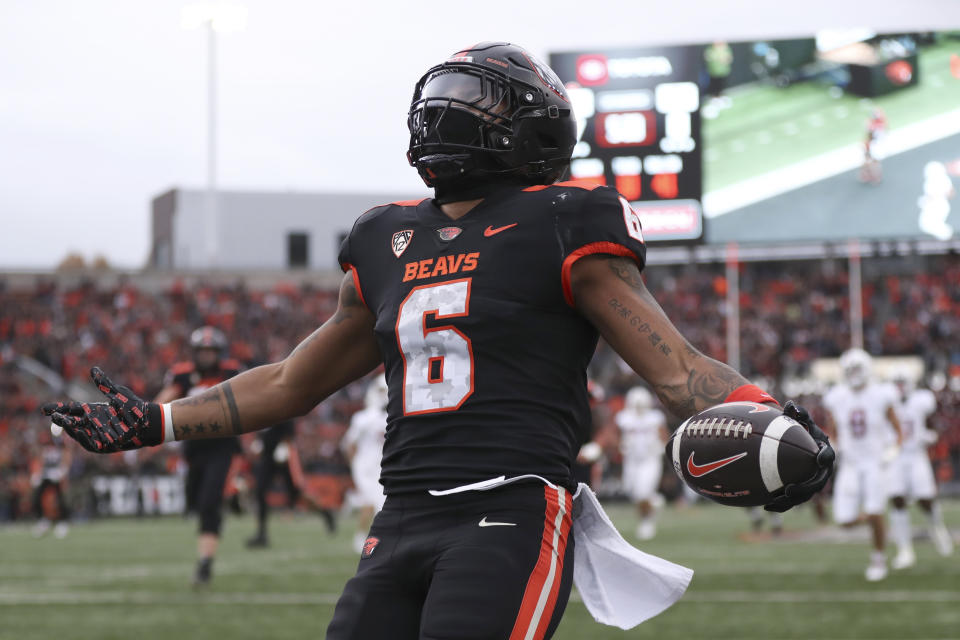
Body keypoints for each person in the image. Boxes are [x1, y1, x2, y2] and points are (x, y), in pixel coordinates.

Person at [42, 42, 833, 639]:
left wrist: (768, 412)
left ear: (528, 126)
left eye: (475, 100)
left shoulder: (562, 220)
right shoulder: (386, 240)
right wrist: (160, 422)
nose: (447, 111)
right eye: (446, 96)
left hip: (515, 509)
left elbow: (678, 370)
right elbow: (291, 381)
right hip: (403, 516)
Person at [154, 326, 243, 587]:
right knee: (193, 501)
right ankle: (230, 498)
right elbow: (163, 401)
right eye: (201, 351)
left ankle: (205, 562)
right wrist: (147, 420)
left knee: (208, 504)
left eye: (210, 351)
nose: (206, 356)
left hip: (222, 446)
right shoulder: (183, 375)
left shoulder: (230, 372)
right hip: (193, 448)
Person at [821, 348, 902, 582]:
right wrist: (832, 447)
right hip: (851, 464)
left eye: (857, 369)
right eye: (850, 370)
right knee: (845, 521)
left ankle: (878, 559)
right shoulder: (837, 397)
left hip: (874, 462)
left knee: (876, 510)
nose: (854, 374)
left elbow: (898, 430)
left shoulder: (881, 394)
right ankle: (872, 519)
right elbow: (833, 431)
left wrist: (892, 450)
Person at [886, 368, 953, 568]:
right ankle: (904, 549)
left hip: (916, 455)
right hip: (895, 456)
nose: (899, 387)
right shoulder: (886, 402)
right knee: (897, 498)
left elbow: (933, 423)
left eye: (902, 382)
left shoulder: (921, 400)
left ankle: (938, 529)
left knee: (925, 499)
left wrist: (930, 435)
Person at [341, 374, 388, 554]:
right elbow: (349, 444)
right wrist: (355, 466)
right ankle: (363, 539)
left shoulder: (388, 417)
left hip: (381, 466)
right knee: (373, 504)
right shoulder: (364, 418)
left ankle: (366, 538)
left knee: (376, 505)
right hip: (365, 468)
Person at [614, 386, 666, 540]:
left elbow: (664, 435)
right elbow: (616, 436)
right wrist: (620, 445)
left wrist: (661, 446)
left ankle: (646, 522)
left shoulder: (655, 417)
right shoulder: (623, 418)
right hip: (631, 461)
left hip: (650, 460)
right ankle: (654, 500)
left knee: (642, 492)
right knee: (632, 491)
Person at [30, 429, 72, 539]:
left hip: (57, 474)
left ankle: (62, 523)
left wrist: (63, 470)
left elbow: (66, 456)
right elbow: (40, 458)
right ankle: (43, 521)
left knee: (60, 499)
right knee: (37, 497)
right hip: (46, 474)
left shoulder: (61, 445)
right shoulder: (44, 446)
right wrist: (37, 474)